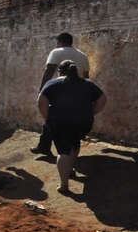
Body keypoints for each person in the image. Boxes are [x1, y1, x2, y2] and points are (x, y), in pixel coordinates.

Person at [37, 60, 107, 193]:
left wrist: (48, 118)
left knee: (63, 151)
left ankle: (64, 185)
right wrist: (91, 112)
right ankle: (69, 170)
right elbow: (102, 99)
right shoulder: (88, 83)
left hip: (59, 122)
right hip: (83, 122)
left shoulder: (52, 83)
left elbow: (41, 103)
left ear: (60, 72)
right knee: (74, 144)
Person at [31, 32, 91, 157]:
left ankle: (48, 147)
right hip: (78, 92)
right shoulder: (82, 56)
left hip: (60, 91)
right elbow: (86, 77)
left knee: (52, 117)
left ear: (59, 42)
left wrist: (43, 89)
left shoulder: (56, 52)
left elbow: (49, 70)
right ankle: (47, 146)